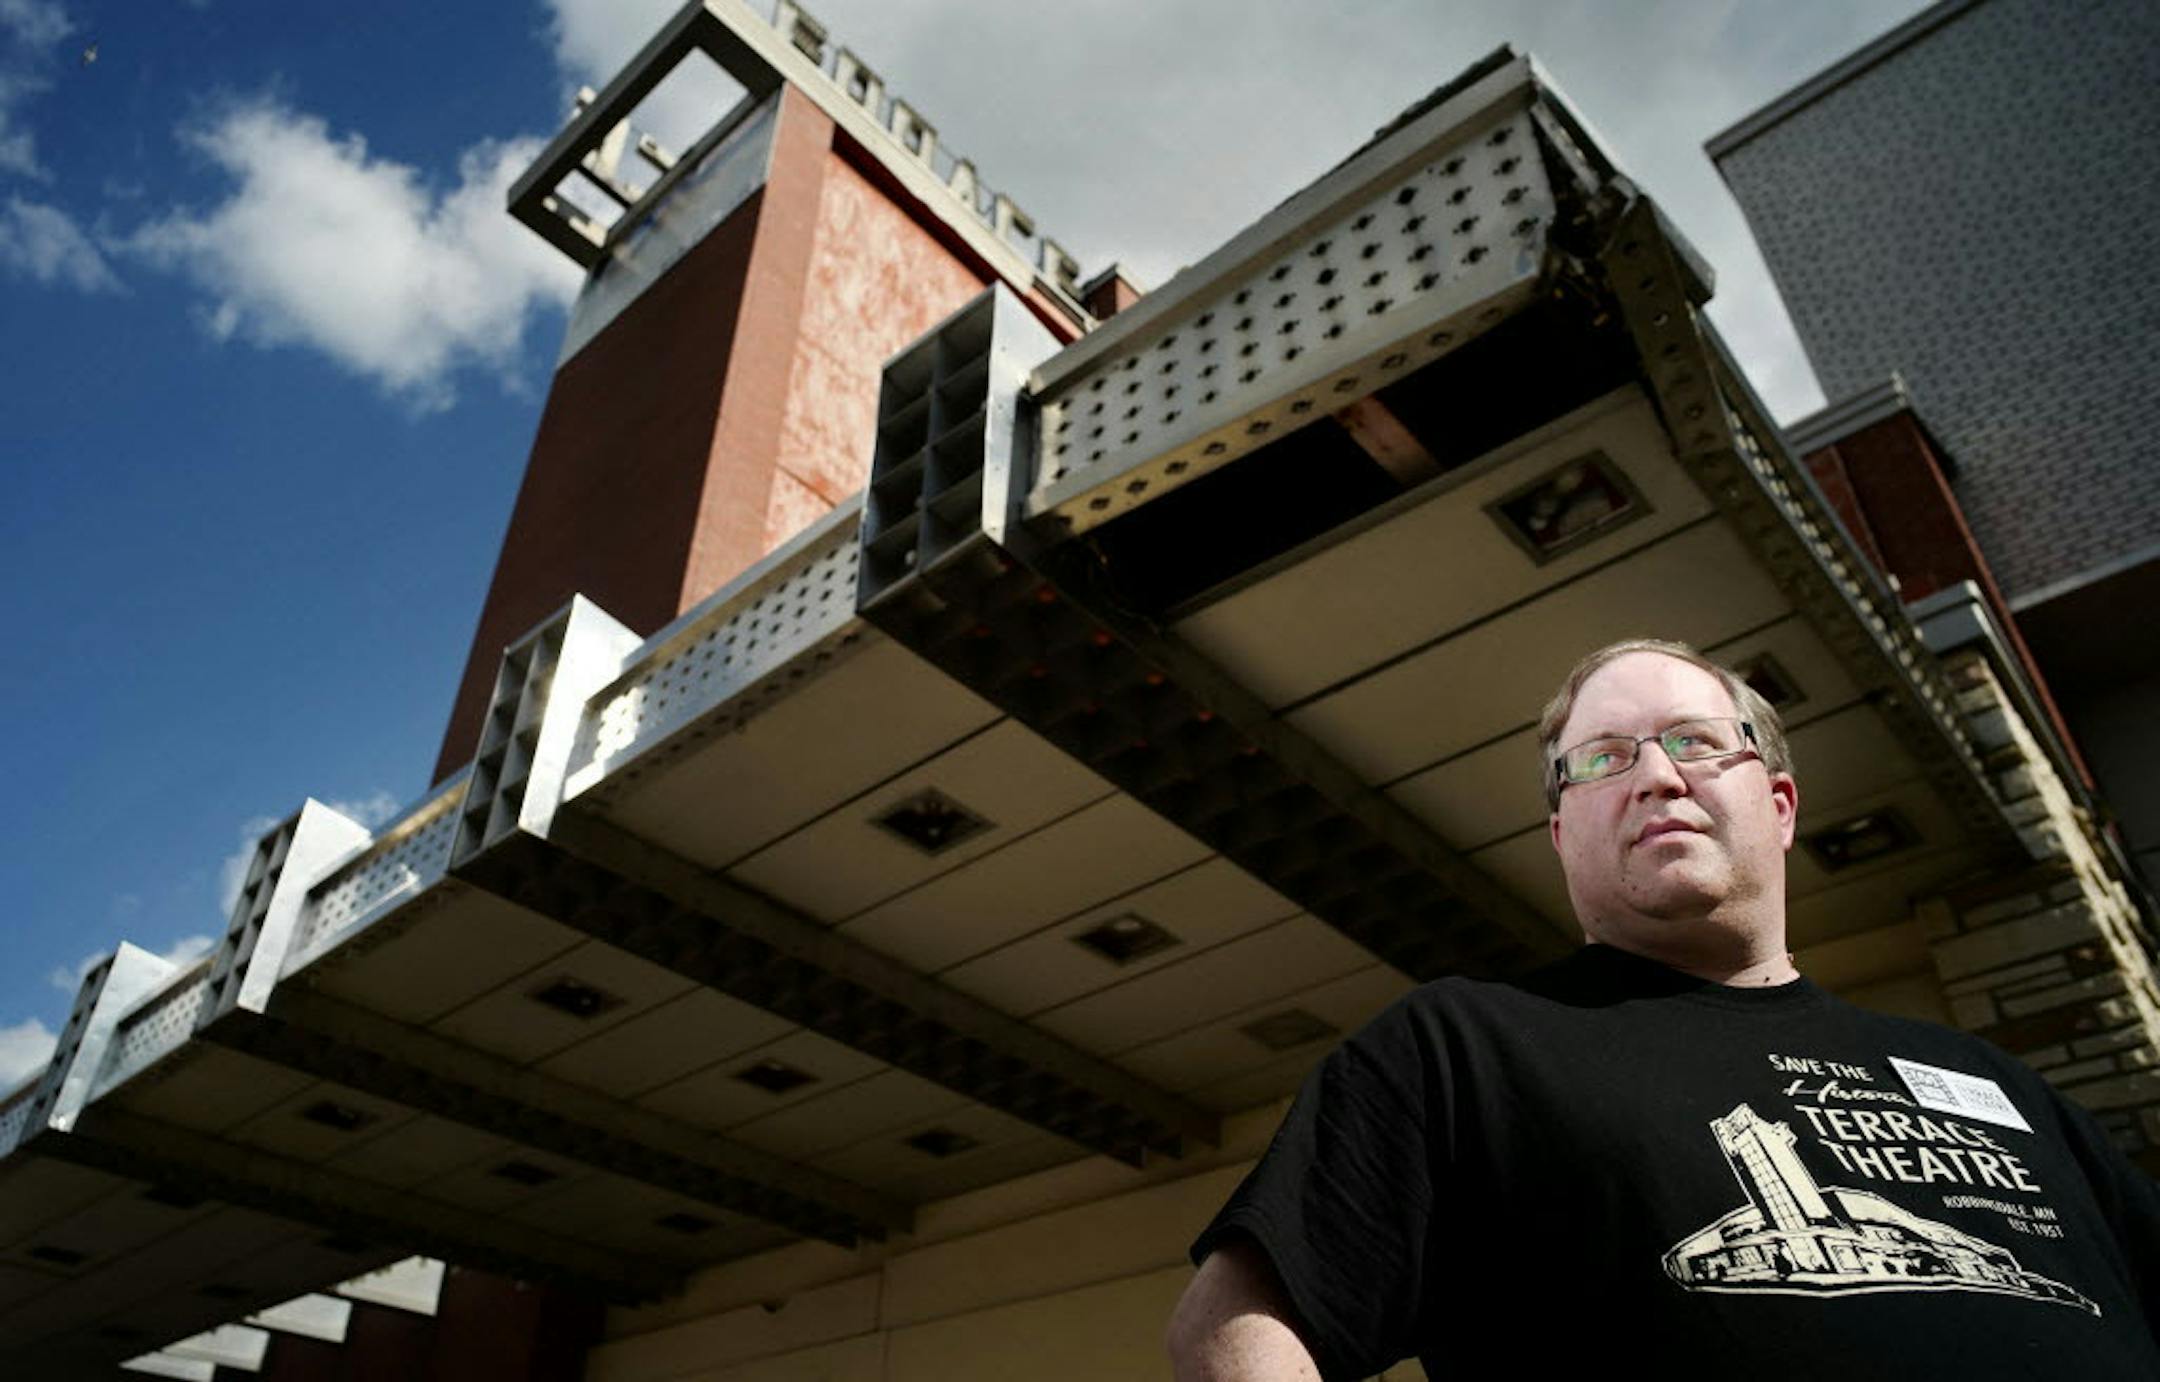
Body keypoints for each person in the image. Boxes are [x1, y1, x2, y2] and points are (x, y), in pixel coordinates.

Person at [1166, 638, 2160, 1380]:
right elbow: (1243, 1318)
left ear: (1777, 802)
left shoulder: (2000, 1084)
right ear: (1563, 830)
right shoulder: (1465, 1045)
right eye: (1604, 757)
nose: (1655, 774)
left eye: (1694, 740)